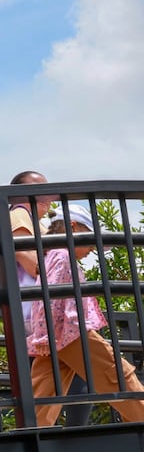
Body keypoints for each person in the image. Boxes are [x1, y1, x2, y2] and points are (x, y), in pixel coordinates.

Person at [27, 204, 144, 426]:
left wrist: (44, 336)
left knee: (44, 391)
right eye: (89, 239)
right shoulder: (63, 257)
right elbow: (48, 299)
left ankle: (31, 435)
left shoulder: (52, 256)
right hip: (71, 332)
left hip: (56, 335)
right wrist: (44, 336)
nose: (92, 248)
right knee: (117, 374)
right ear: (72, 227)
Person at [8, 170, 90, 426]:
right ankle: (66, 439)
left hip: (46, 314)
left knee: (59, 380)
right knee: (80, 374)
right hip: (41, 314)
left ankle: (44, 436)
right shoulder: (19, 214)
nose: (48, 194)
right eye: (39, 188)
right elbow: (30, 261)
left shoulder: (39, 223)